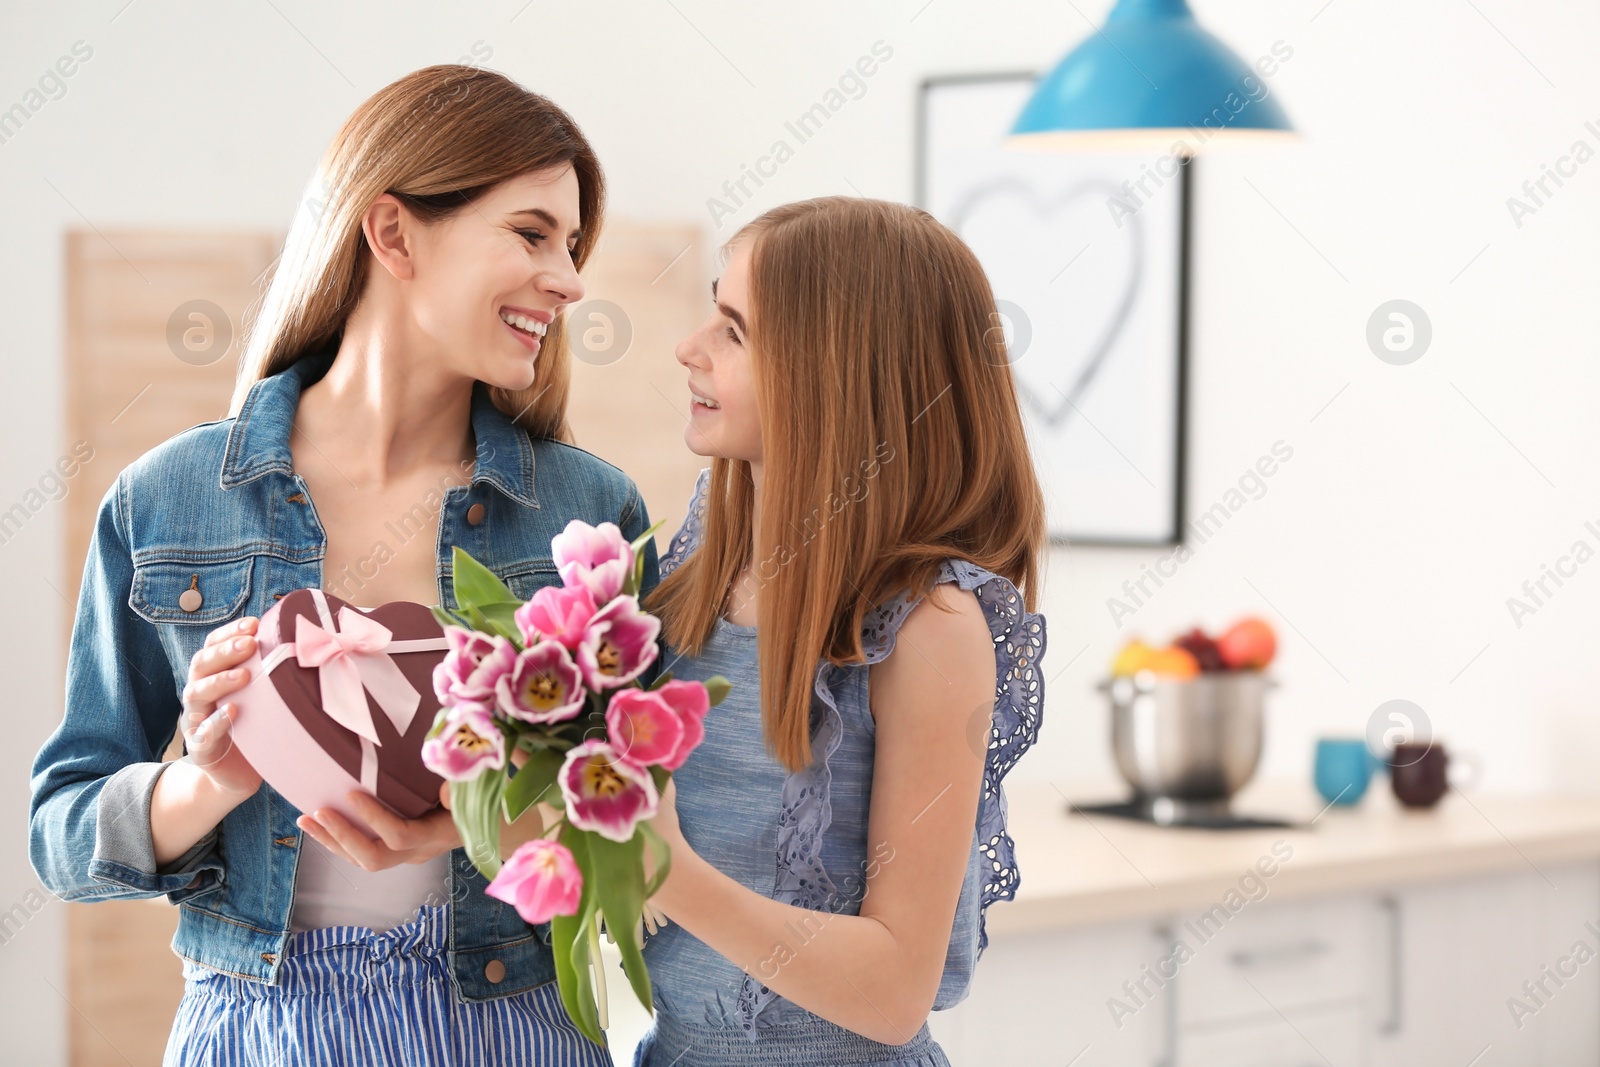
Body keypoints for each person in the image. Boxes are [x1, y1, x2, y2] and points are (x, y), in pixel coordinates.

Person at [28, 64, 653, 1065]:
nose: (572, 280)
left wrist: (463, 827)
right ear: (394, 232)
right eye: (533, 233)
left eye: (574, 246)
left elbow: (645, 812)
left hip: (515, 1024)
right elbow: (60, 832)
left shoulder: (589, 514)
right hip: (257, 1029)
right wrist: (209, 781)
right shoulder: (167, 498)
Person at [633, 196, 1050, 1066]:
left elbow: (897, 989)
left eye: (736, 331)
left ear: (836, 374)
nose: (690, 347)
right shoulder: (711, 548)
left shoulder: (929, 625)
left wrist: (668, 873)